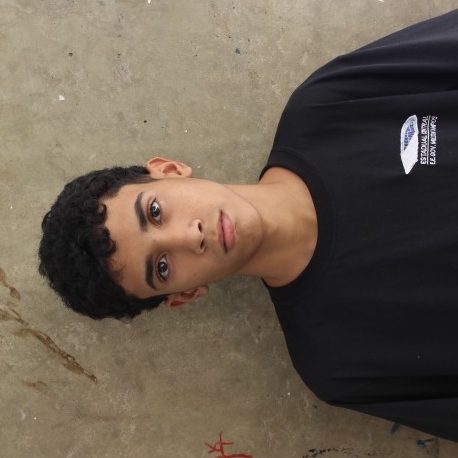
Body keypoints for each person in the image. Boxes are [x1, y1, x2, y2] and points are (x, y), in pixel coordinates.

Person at [39, 10, 458, 442]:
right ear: (185, 294)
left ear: (168, 169)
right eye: (162, 267)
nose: (189, 236)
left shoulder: (326, 107)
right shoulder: (337, 361)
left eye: (155, 212)